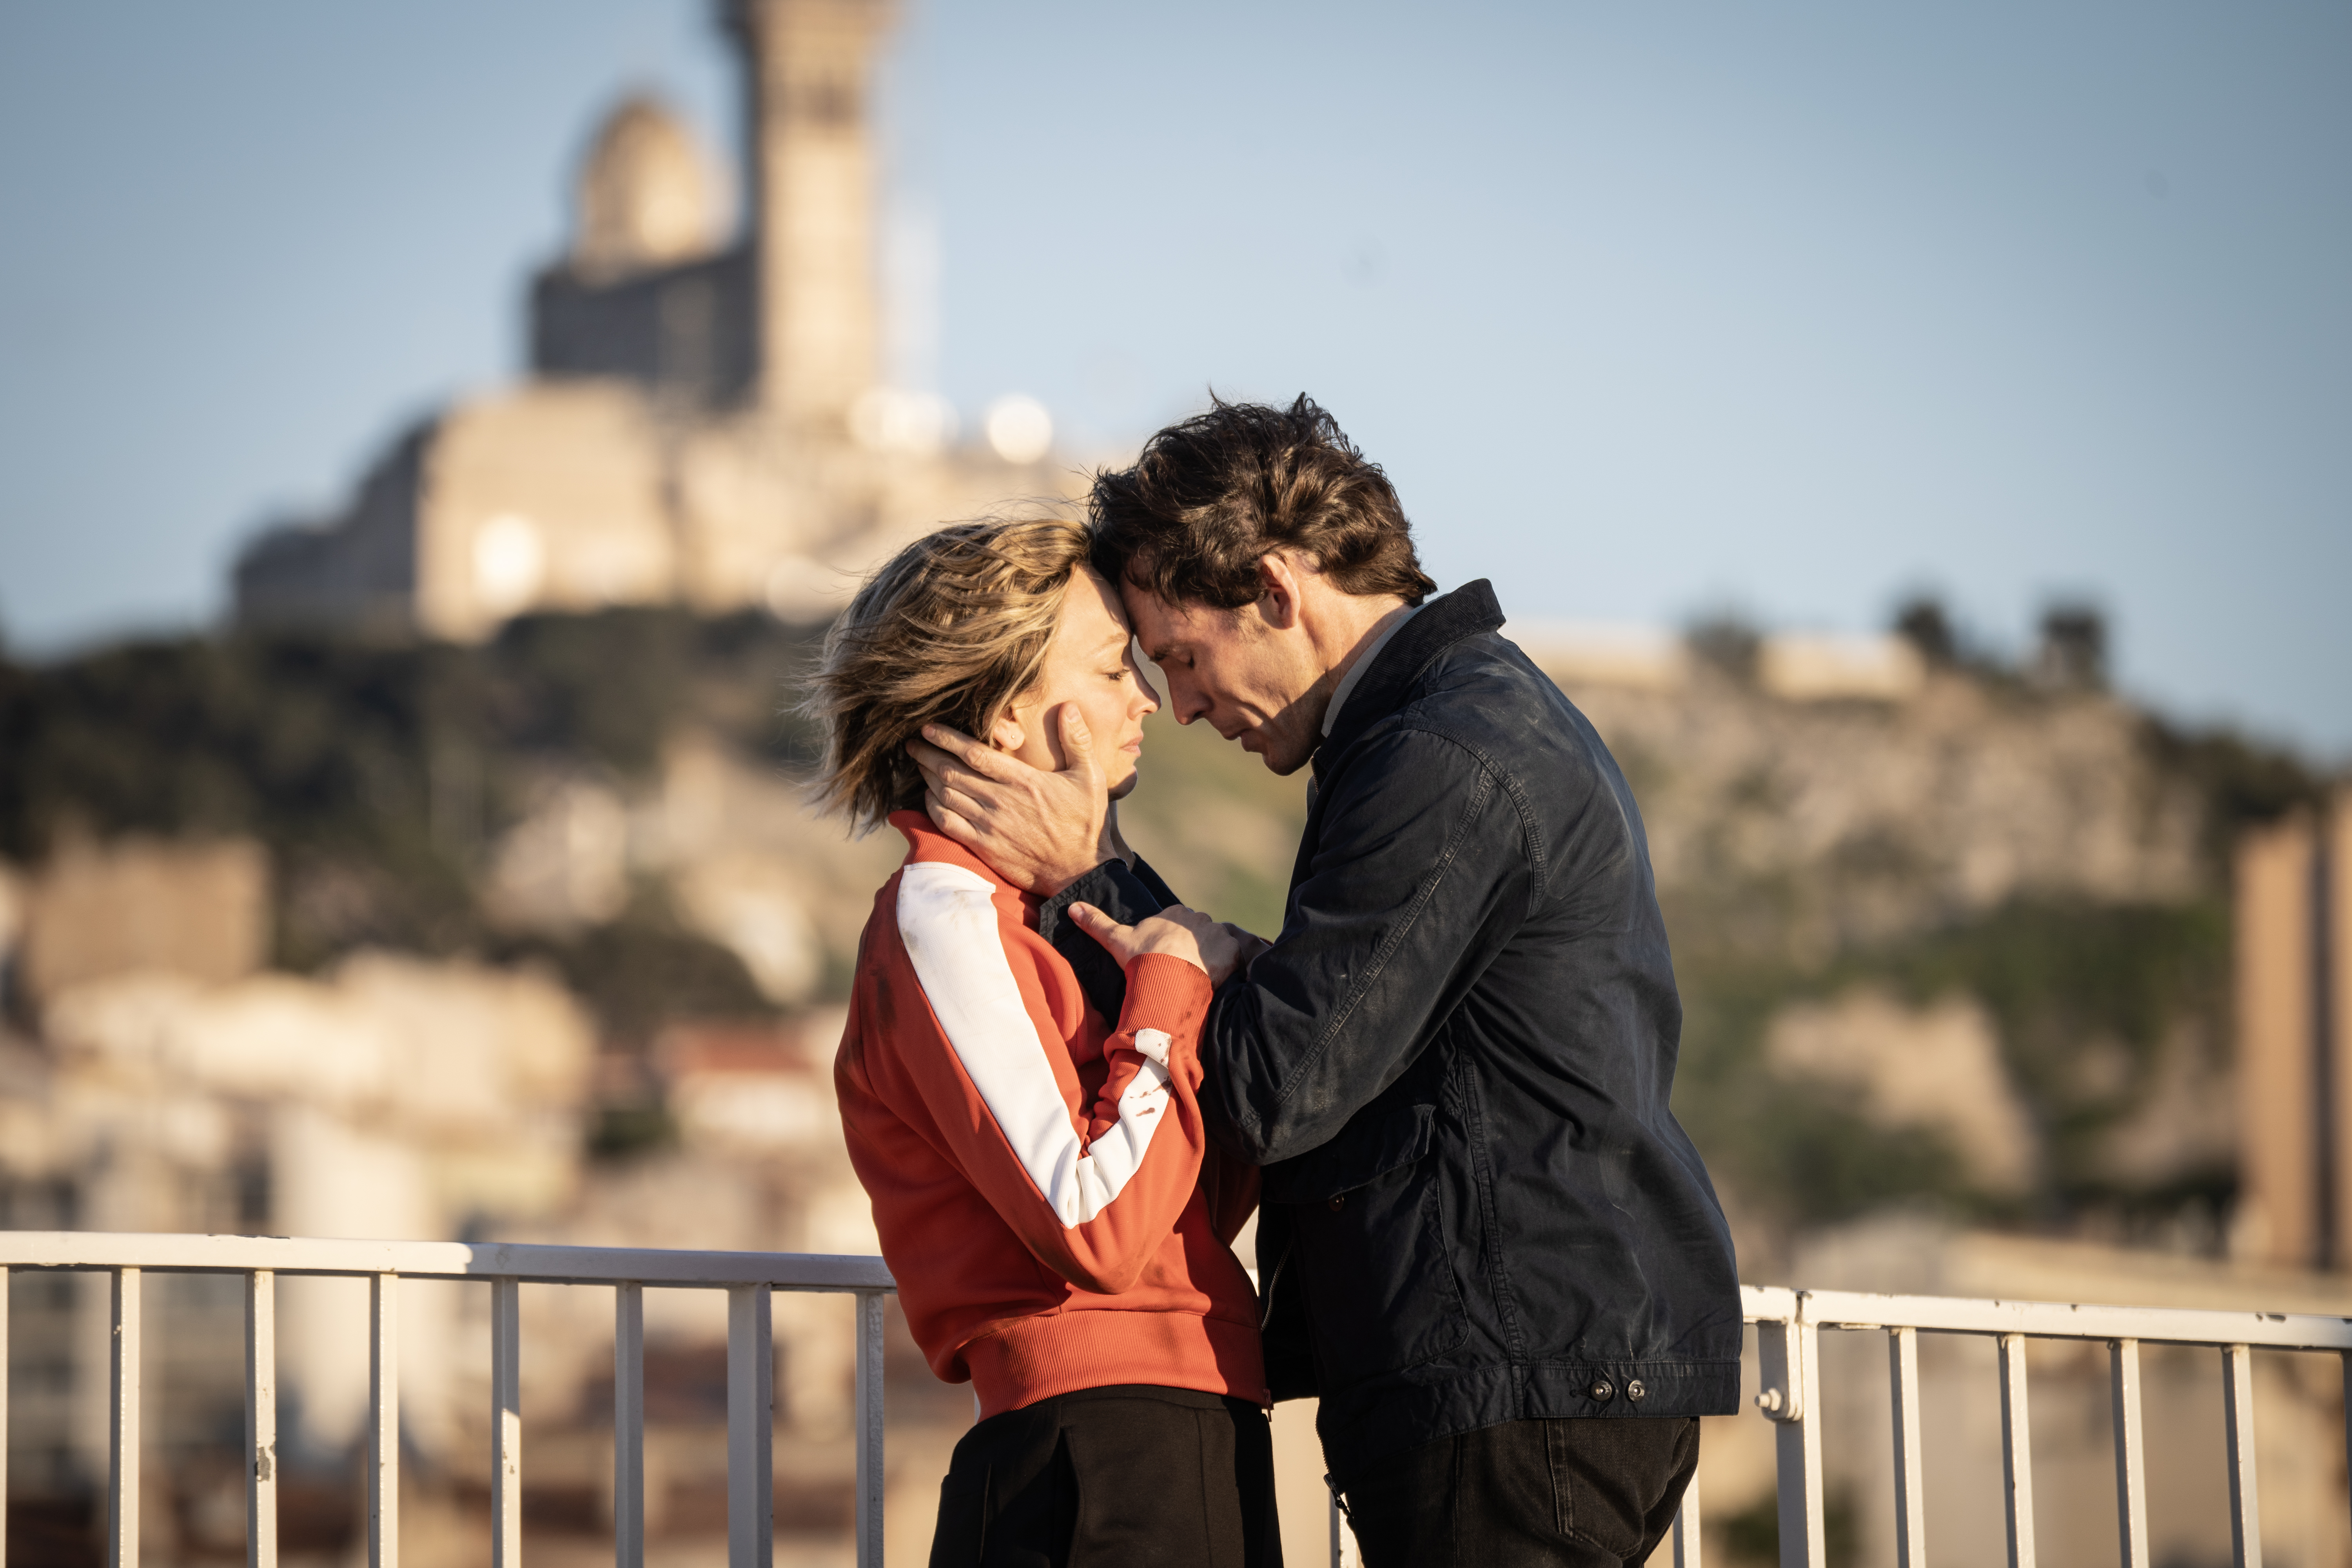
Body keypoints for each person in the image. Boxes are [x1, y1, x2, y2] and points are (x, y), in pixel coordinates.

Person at [908, 398, 1743, 1568]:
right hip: (1529, 1370)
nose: (1184, 706)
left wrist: (1091, 876)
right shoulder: (1444, 733)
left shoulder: (1438, 758)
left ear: (1276, 590)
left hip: (1513, 1381)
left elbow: (1270, 1086)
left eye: (1185, 658)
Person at [810, 516, 1282, 1568]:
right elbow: (1096, 1223)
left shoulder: (1038, 921)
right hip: (1095, 1461)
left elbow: (1188, 1195)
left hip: (1182, 1428)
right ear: (1004, 718)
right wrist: (1171, 979)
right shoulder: (942, 913)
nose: (1146, 700)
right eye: (1114, 665)